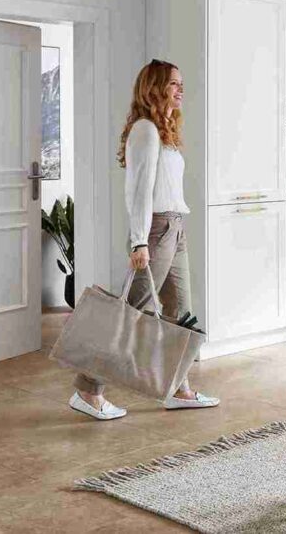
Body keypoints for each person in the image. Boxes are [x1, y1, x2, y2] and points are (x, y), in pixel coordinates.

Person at [69, 59, 219, 420]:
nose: (181, 90)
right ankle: (87, 391)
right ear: (154, 88)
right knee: (129, 315)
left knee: (180, 312)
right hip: (155, 231)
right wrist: (138, 242)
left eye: (181, 84)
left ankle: (178, 389)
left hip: (175, 227)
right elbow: (138, 191)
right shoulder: (146, 131)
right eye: (174, 84)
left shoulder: (163, 130)